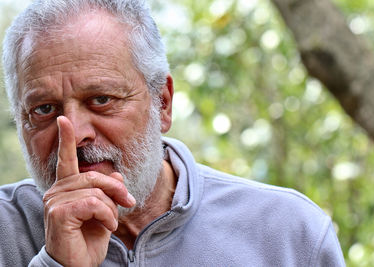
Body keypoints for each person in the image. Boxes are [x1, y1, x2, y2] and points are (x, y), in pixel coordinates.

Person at [0, 0, 345, 266]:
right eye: (44, 109)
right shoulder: (6, 230)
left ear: (162, 103)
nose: (73, 134)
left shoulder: (287, 232)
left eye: (101, 99)